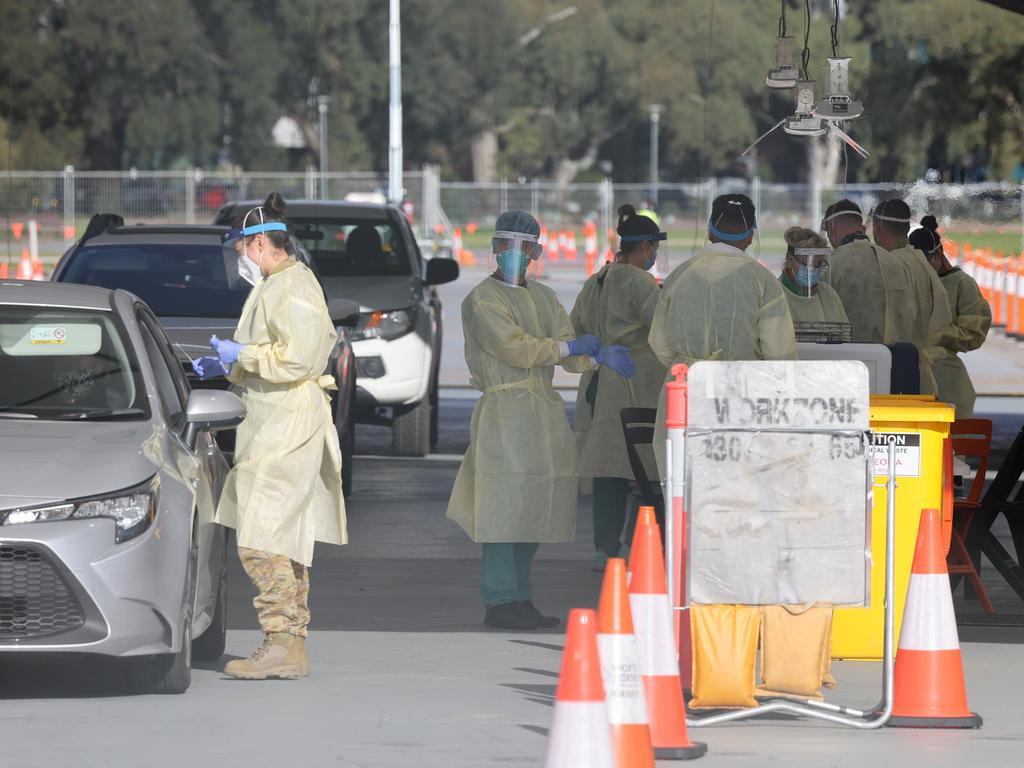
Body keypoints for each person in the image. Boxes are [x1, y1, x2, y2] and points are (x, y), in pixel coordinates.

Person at [446, 210, 636, 630]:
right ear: (495, 248)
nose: (516, 254)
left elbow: (567, 346)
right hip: (503, 413)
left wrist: (596, 355)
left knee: (533, 505)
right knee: (501, 507)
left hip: (541, 415)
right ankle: (498, 600)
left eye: (524, 247)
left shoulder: (545, 298)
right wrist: (568, 350)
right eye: (508, 246)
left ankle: (519, 596)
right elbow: (514, 348)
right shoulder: (482, 299)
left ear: (535, 252)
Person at [198, 192, 346, 679]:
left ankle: (281, 641)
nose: (239, 258)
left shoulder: (292, 287)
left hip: (287, 424)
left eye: (242, 248)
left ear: (260, 242)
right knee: (283, 538)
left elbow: (297, 358)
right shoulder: (276, 284)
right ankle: (290, 646)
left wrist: (241, 356)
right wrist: (233, 363)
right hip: (273, 419)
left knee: (261, 538)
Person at [648, 194, 796, 469]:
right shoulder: (762, 281)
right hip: (740, 396)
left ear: (709, 232)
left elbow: (659, 344)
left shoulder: (679, 277)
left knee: (684, 485)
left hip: (684, 394)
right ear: (751, 236)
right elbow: (779, 354)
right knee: (734, 488)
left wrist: (689, 365)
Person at [570, 204, 668, 571]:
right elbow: (664, 329)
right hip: (636, 388)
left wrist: (599, 351)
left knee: (608, 473)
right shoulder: (641, 283)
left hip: (599, 386)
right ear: (644, 248)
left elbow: (574, 329)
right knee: (646, 472)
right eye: (653, 248)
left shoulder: (596, 281)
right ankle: (634, 546)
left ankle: (605, 550)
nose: (654, 255)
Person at [871, 199, 954, 395]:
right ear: (907, 227)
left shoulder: (888, 265)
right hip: (921, 373)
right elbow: (943, 318)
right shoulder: (921, 263)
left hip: (893, 375)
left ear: (878, 226)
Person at [911, 216, 991, 416]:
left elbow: (974, 333)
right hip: (912, 380)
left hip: (949, 385)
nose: (922, 269)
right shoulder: (911, 280)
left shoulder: (962, 285)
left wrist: (939, 334)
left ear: (938, 254)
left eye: (925, 261)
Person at [821, 199, 912, 344]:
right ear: (862, 228)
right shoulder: (894, 263)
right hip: (889, 359)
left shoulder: (830, 264)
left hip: (849, 359)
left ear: (831, 228)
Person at [778, 227, 850, 324]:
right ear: (790, 259)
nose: (815, 270)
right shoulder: (775, 296)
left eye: (819, 264)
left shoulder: (829, 295)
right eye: (808, 264)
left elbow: (843, 335)